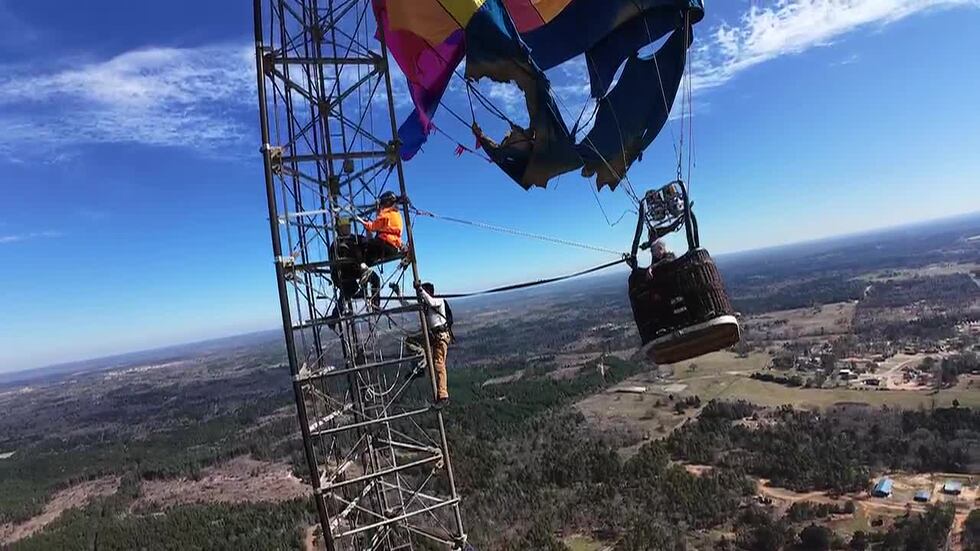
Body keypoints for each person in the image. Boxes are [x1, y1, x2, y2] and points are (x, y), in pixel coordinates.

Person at [391, 281, 453, 408]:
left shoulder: (439, 301)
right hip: (432, 335)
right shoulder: (424, 306)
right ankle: (420, 366)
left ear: (428, 292)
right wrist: (398, 293)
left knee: (438, 364)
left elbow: (431, 301)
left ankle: (443, 396)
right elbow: (406, 305)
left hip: (440, 336)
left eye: (423, 292)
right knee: (410, 341)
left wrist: (420, 289)